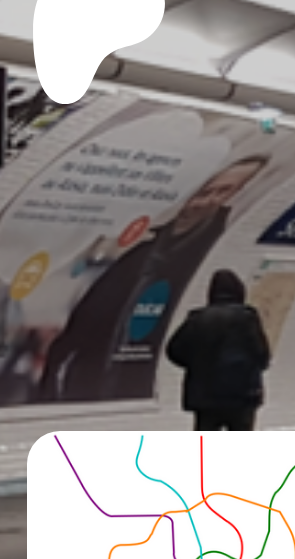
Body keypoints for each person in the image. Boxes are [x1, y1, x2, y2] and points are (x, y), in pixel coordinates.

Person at [40, 155, 269, 403]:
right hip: (236, 397)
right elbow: (262, 357)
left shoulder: (202, 264)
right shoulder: (142, 255)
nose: (210, 201)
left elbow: (176, 350)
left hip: (192, 396)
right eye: (205, 192)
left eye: (225, 192)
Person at [164, 269, 269, 430]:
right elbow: (262, 355)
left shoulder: (197, 319)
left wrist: (196, 365)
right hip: (241, 395)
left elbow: (174, 350)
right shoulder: (247, 318)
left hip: (205, 396)